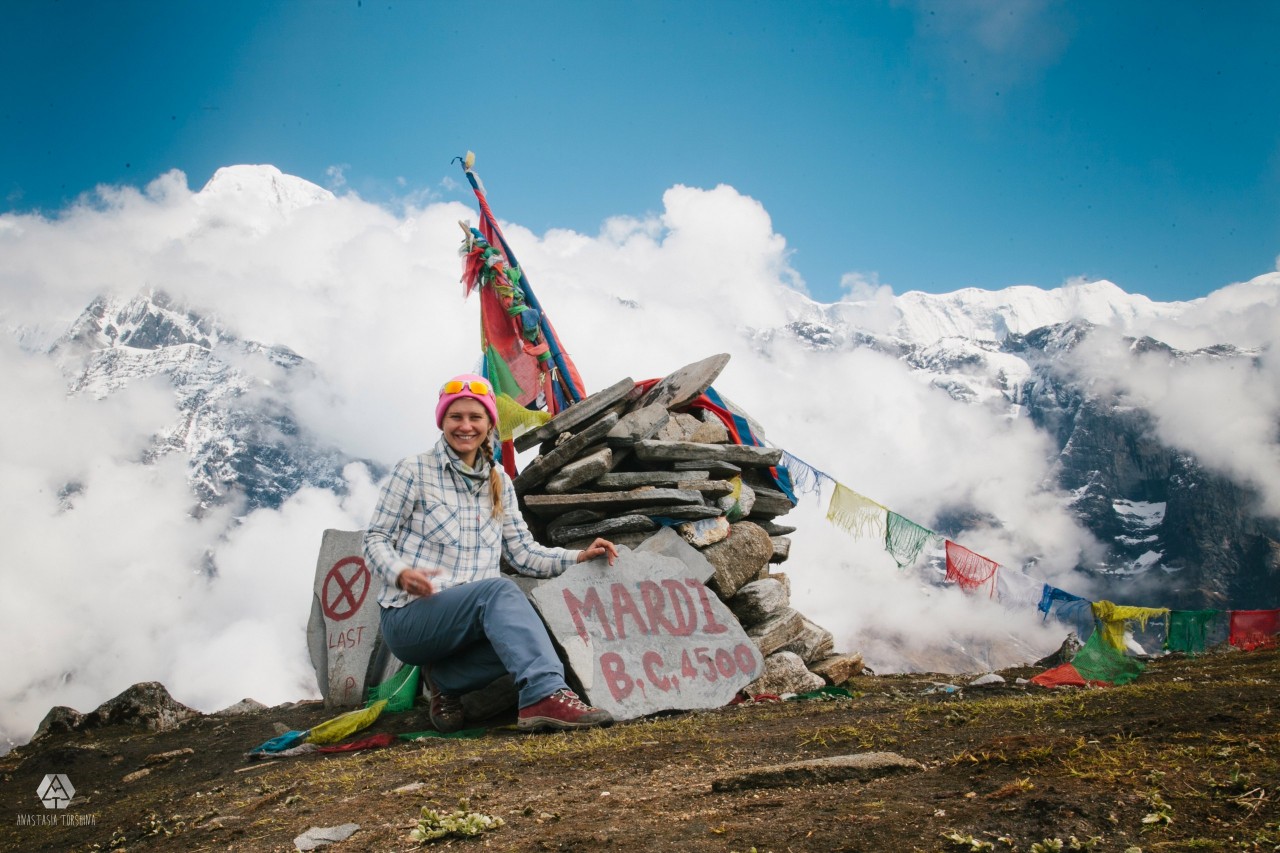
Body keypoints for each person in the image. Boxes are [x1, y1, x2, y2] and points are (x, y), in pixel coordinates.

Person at [363, 373, 619, 732]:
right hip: (411, 618)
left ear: (488, 424)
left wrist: (576, 557)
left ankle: (445, 681)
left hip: (469, 623)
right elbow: (375, 538)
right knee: (498, 592)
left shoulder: (499, 480)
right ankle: (543, 696)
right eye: (456, 417)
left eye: (475, 417)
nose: (465, 426)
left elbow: (523, 554)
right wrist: (400, 573)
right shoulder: (414, 471)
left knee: (532, 624)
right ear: (442, 420)